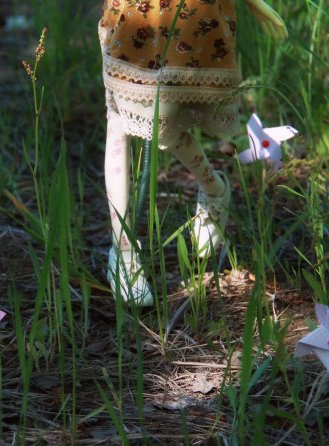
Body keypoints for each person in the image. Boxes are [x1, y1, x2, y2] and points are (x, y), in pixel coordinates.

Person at [100, 0, 287, 306]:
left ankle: (215, 188)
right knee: (119, 121)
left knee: (163, 121)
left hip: (186, 14)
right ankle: (122, 252)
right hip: (129, 12)